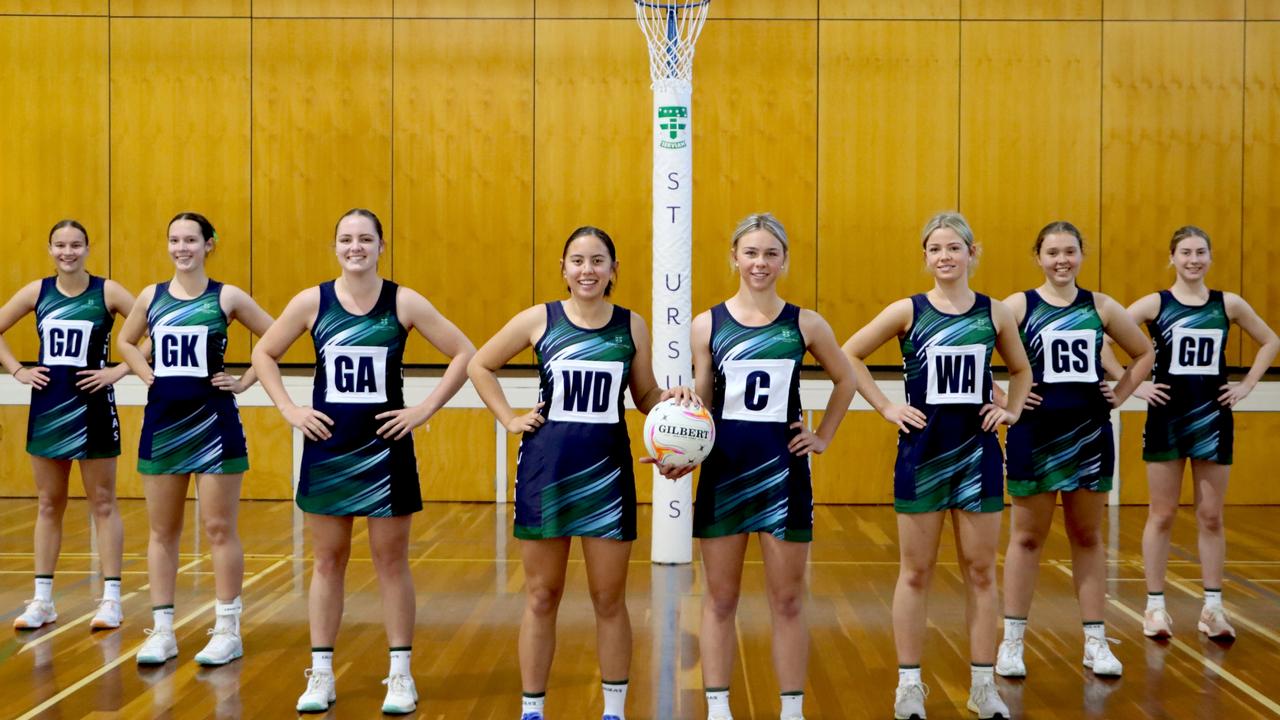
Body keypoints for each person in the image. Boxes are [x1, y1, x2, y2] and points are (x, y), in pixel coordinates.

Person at [253, 208, 475, 714]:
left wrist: (422, 410)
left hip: (385, 449)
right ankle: (322, 673)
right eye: (347, 239)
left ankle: (400, 675)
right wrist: (289, 409)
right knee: (328, 562)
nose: (356, 247)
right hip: (328, 448)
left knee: (391, 562)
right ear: (335, 246)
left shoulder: (403, 301)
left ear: (381, 245)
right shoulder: (313, 301)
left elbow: (464, 352)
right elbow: (264, 353)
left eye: (366, 239)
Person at [468, 226, 691, 720]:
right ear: (563, 268)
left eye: (597, 261)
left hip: (608, 474)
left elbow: (644, 395)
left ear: (614, 269)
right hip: (546, 471)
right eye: (577, 260)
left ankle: (613, 711)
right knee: (542, 595)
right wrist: (509, 418)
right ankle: (533, 710)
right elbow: (480, 365)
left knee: (609, 597)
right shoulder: (538, 319)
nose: (587, 270)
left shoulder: (631, 325)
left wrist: (671, 405)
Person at [842, 211, 1031, 720]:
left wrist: (1011, 409)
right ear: (925, 257)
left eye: (954, 247)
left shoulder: (995, 314)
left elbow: (1020, 369)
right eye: (935, 248)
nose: (944, 256)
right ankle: (909, 686)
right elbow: (849, 354)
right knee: (916, 571)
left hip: (978, 455)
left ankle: (983, 685)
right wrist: (886, 407)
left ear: (973, 252)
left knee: (980, 572)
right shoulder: (908, 310)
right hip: (921, 456)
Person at [690, 213, 856, 720]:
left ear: (784, 259)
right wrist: (679, 444)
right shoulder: (707, 323)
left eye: (770, 254)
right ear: (734, 258)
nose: (759, 263)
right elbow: (702, 399)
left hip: (784, 475)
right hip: (723, 472)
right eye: (751, 253)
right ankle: (718, 708)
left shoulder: (806, 323)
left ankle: (791, 711)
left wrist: (822, 435)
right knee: (720, 600)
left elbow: (845, 379)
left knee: (787, 601)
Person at [993, 221, 1154, 680]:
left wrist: (1120, 394)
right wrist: (1006, 400)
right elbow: (973, 349)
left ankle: (1096, 641)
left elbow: (1144, 353)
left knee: (1087, 537)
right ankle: (1012, 642)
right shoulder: (1019, 306)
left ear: (1081, 254)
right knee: (1027, 539)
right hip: (1034, 434)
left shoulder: (1100, 307)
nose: (1061, 260)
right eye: (1052, 252)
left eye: (1069, 251)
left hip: (1089, 434)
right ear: (1038, 257)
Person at [116, 212, 274, 666]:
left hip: (214, 424)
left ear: (210, 244)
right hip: (163, 424)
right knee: (162, 531)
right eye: (174, 240)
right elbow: (126, 342)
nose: (181, 247)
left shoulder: (227, 296)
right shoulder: (152, 295)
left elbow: (277, 337)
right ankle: (162, 630)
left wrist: (244, 382)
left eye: (191, 239)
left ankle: (228, 628)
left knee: (219, 528)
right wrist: (146, 373)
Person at [1114, 225, 1277, 641]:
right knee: (1162, 513)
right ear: (1172, 257)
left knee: (1210, 515)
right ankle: (1154, 608)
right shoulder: (1156, 303)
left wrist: (1246, 385)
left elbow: (1270, 341)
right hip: (1167, 418)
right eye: (1185, 252)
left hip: (1212, 418)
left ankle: (1213, 608)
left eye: (1200, 252)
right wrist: (1133, 382)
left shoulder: (1229, 304)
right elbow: (1101, 333)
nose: (1193, 259)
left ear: (1210, 256)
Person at [0, 220, 135, 630]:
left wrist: (120, 370)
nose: (68, 252)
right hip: (48, 408)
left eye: (75, 245)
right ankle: (43, 601)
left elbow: (154, 326)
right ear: (50, 249)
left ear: (87, 248)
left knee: (103, 502)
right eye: (60, 245)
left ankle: (111, 599)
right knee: (47, 503)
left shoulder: (107, 291)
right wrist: (16, 370)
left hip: (93, 407)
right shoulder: (37, 292)